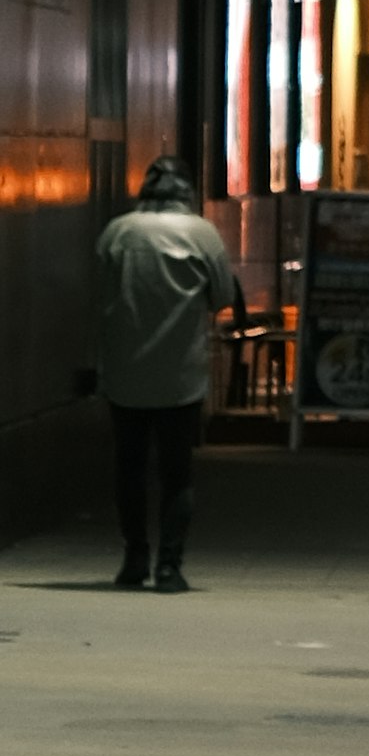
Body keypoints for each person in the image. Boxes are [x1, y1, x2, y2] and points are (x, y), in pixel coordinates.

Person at [90, 156, 246, 593]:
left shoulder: (117, 232)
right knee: (176, 472)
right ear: (186, 193)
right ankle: (169, 566)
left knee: (130, 468)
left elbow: (99, 295)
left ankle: (133, 558)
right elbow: (219, 296)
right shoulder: (201, 233)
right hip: (181, 373)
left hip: (126, 372)